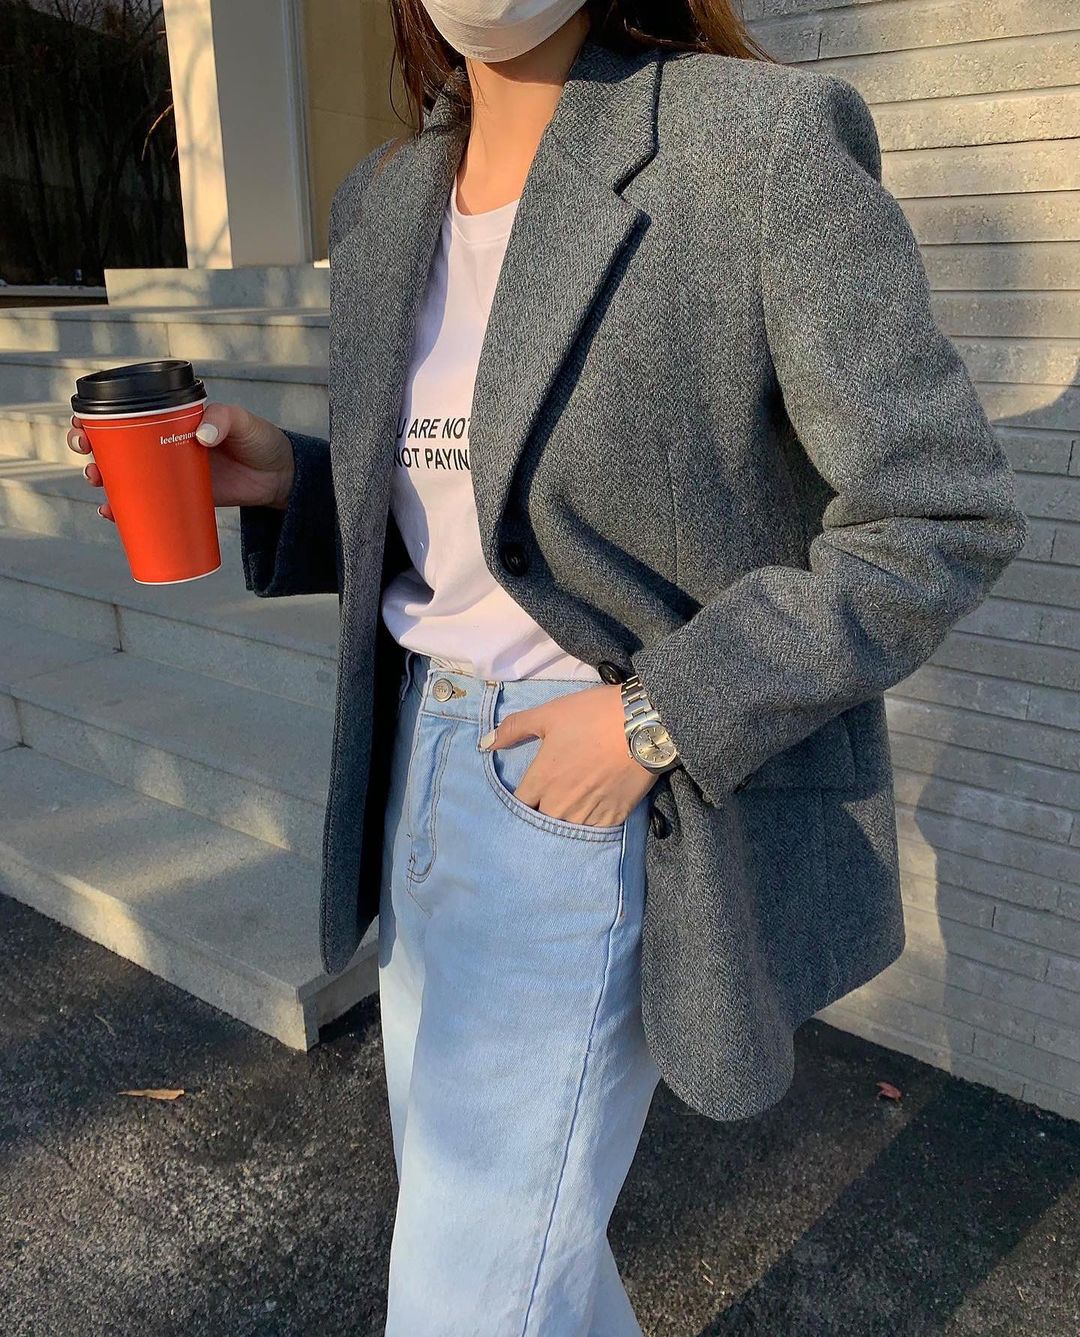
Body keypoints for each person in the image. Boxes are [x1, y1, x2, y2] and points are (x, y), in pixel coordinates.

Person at [70, 2, 1027, 1332]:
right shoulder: (388, 198)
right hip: (419, 768)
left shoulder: (754, 147)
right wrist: (292, 478)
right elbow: (479, 505)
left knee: (468, 1300)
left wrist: (656, 716)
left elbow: (937, 514)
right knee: (525, 1270)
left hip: (583, 798)